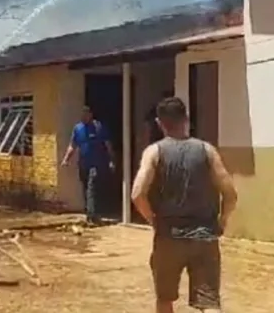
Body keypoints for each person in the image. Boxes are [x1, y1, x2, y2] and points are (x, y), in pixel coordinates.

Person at [130, 97, 238, 313]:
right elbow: (230, 194)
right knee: (209, 302)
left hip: (169, 236)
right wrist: (222, 220)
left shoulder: (154, 152)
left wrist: (152, 219)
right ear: (186, 119)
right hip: (204, 235)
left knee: (164, 299)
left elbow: (137, 193)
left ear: (160, 123)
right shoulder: (207, 150)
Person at [60, 106, 115, 225]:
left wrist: (111, 160)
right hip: (83, 163)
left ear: (91, 114)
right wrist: (66, 159)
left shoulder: (99, 127)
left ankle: (92, 216)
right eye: (82, 114)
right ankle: (89, 213)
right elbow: (73, 145)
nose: (84, 116)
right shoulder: (78, 128)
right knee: (85, 188)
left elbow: (108, 145)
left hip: (97, 163)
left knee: (92, 187)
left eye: (86, 114)